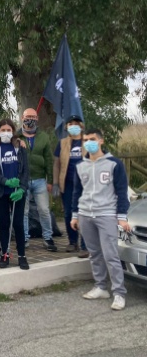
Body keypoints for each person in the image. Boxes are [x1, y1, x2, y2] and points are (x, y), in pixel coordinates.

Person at [71, 128, 129, 311]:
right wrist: (74, 215)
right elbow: (76, 192)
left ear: (101, 141)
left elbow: (121, 191)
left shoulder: (114, 164)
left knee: (111, 255)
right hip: (85, 215)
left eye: (92, 139)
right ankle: (101, 287)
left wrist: (121, 217)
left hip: (106, 215)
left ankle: (119, 293)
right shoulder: (81, 166)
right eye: (86, 139)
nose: (89, 142)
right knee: (94, 253)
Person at [0, 119, 30, 270]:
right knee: (4, 224)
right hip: (1, 193)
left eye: (8, 130)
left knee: (18, 224)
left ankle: (22, 256)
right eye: (2, 130)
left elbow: (25, 171)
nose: (5, 132)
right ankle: (5, 254)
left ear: (13, 131)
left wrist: (22, 188)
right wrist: (5, 181)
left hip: (18, 193)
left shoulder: (20, 147)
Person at [19, 108, 56, 252]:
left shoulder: (43, 137)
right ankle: (25, 238)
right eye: (28, 116)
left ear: (37, 119)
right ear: (22, 118)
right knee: (24, 211)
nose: (30, 119)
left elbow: (48, 159)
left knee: (44, 210)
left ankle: (48, 237)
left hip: (40, 179)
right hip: (23, 180)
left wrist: (50, 180)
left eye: (33, 117)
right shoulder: (17, 136)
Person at [53, 115, 89, 257]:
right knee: (69, 213)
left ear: (81, 126)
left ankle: (85, 245)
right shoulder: (62, 143)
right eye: (70, 124)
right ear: (66, 127)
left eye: (76, 124)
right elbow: (56, 164)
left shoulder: (88, 141)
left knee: (84, 214)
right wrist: (55, 182)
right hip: (67, 184)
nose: (73, 126)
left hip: (85, 184)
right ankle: (72, 241)